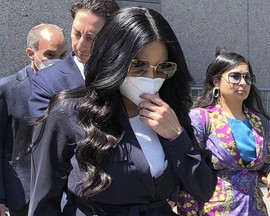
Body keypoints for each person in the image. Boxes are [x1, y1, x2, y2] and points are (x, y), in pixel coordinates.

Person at [29, 6, 217, 216]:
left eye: (162, 67)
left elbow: (203, 189)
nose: (151, 77)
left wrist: (176, 136)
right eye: (138, 66)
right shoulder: (70, 111)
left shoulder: (170, 112)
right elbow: (44, 201)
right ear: (114, 60)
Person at [177, 52, 270, 215]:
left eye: (247, 77)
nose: (243, 82)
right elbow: (190, 173)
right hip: (215, 210)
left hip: (255, 209)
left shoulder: (260, 122)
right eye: (235, 77)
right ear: (216, 82)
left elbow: (268, 162)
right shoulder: (201, 118)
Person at [0, 23, 67, 216]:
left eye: (63, 56)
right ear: (31, 53)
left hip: (64, 191)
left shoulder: (71, 86)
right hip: (24, 194)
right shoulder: (7, 89)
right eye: (50, 55)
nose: (58, 62)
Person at [28, 0, 119, 119]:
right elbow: (44, 134)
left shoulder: (125, 76)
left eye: (91, 38)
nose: (80, 45)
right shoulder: (46, 81)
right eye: (77, 34)